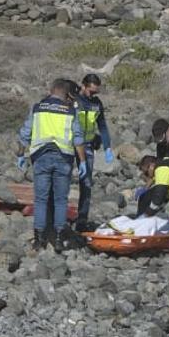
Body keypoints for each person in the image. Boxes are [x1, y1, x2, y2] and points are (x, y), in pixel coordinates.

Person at [17, 78, 88, 253]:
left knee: (41, 200)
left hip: (41, 157)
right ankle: (58, 239)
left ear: (51, 90)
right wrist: (83, 162)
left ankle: (39, 239)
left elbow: (25, 133)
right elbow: (78, 138)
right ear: (66, 93)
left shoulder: (38, 108)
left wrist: (20, 154)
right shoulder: (70, 111)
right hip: (64, 158)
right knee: (60, 201)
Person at [74, 72, 114, 232]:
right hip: (70, 146)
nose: (92, 95)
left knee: (86, 183)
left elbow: (102, 126)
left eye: (95, 92)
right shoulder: (74, 101)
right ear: (83, 86)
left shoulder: (97, 104)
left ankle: (82, 220)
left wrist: (107, 146)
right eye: (91, 91)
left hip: (88, 146)